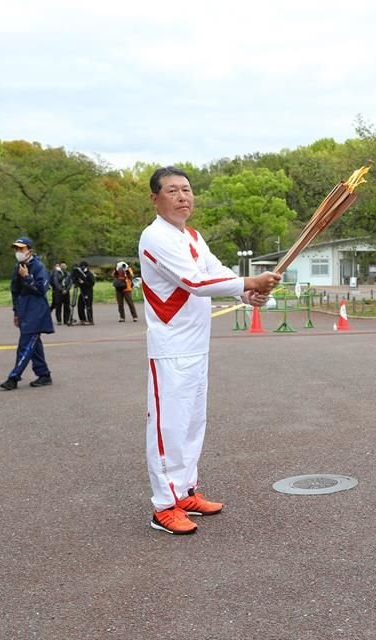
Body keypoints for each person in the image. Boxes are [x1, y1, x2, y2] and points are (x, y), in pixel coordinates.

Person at [139, 166, 281, 535]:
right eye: (173, 190)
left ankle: (185, 491)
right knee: (168, 426)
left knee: (191, 423)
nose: (183, 196)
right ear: (155, 199)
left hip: (196, 345)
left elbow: (215, 271)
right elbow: (195, 281)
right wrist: (250, 280)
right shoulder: (155, 237)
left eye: (186, 190)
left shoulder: (193, 237)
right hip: (170, 347)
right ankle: (164, 506)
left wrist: (245, 293)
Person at [0, 237, 54, 390]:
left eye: (21, 249)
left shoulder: (39, 267)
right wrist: (16, 312)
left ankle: (13, 377)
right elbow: (15, 291)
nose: (18, 252)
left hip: (36, 311)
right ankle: (44, 375)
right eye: (16, 249)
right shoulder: (18, 267)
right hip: (24, 311)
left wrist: (27, 277)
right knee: (34, 344)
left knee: (25, 345)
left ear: (29, 250)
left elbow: (41, 289)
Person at [50, 261, 73, 326]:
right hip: (58, 292)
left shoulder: (68, 274)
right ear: (60, 266)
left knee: (67, 306)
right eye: (62, 265)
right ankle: (59, 320)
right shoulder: (56, 274)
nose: (63, 267)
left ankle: (66, 320)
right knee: (58, 306)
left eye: (64, 265)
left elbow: (70, 282)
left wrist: (67, 289)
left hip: (66, 292)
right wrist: (61, 289)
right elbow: (55, 282)